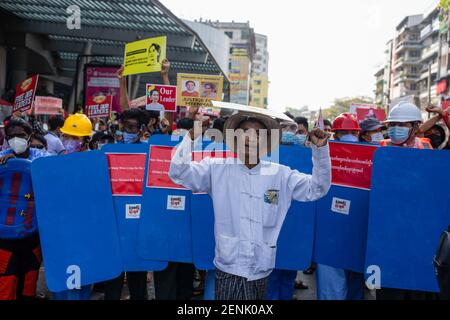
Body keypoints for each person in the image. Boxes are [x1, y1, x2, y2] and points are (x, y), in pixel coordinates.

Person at [168, 109, 331, 300]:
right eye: (244, 131)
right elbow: (178, 172)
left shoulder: (281, 174)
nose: (250, 137)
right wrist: (192, 135)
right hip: (229, 265)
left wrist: (320, 152)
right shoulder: (216, 168)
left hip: (261, 268)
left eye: (258, 133)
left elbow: (317, 188)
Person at [377, 102, 438, 300]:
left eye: (402, 125)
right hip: (388, 228)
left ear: (414, 127)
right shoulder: (382, 147)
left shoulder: (428, 147)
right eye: (392, 124)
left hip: (419, 228)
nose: (395, 129)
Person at [316, 113, 365, 301]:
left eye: (350, 132)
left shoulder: (377, 154)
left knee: (350, 285)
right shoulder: (321, 153)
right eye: (344, 132)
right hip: (335, 232)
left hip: (343, 231)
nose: (348, 136)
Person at [0, 118, 49, 300]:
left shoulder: (42, 158)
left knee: (29, 281)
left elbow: (55, 173)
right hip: (4, 235)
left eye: (20, 135)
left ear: (30, 137)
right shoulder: (2, 157)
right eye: (10, 136)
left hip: (32, 232)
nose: (15, 140)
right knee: (6, 282)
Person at [51, 114, 94, 300]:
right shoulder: (55, 161)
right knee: (60, 273)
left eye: (75, 137)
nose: (69, 141)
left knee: (83, 274)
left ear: (86, 140)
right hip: (60, 227)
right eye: (67, 136)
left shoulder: (94, 162)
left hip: (84, 229)